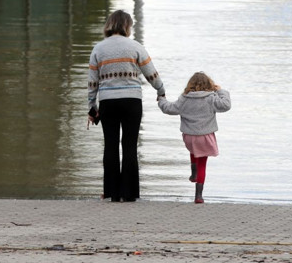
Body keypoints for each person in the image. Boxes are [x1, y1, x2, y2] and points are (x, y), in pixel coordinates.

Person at [88, 10, 166, 202]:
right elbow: (151, 73)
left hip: (108, 102)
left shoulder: (98, 49)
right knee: (130, 146)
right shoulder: (135, 46)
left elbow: (92, 82)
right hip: (132, 101)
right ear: (127, 26)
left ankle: (112, 193)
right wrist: (160, 90)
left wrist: (92, 106)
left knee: (110, 145)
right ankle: (129, 193)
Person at [157, 72, 231, 204]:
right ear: (209, 85)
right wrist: (220, 90)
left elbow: (169, 109)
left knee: (194, 149)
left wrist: (162, 99)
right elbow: (226, 105)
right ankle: (198, 196)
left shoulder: (184, 98)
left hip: (189, 137)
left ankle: (193, 173)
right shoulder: (211, 98)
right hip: (205, 136)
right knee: (202, 163)